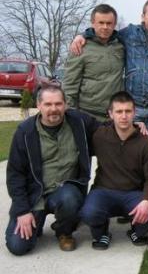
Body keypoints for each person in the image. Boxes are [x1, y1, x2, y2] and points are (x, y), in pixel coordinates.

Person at [70, 0, 148, 146]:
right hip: (131, 106)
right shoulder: (130, 34)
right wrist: (82, 35)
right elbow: (105, 32)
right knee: (129, 149)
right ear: (143, 16)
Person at [5, 86, 98, 255]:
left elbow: (107, 130)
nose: (54, 109)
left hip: (65, 192)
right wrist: (22, 211)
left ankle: (64, 231)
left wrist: (134, 125)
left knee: (70, 198)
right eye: (48, 104)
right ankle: (37, 222)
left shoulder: (79, 122)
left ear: (65, 105)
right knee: (17, 246)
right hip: (35, 196)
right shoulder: (25, 132)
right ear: (38, 105)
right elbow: (15, 175)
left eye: (58, 103)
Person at [80, 92, 148, 250]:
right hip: (103, 191)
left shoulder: (147, 143)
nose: (124, 116)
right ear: (110, 114)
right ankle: (102, 233)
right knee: (89, 213)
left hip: (133, 193)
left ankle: (136, 231)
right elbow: (75, 118)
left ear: (134, 112)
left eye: (128, 111)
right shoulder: (99, 135)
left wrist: (147, 201)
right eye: (119, 111)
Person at [63, 4, 124, 121]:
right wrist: (69, 114)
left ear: (114, 24)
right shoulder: (80, 47)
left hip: (115, 115)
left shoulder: (121, 46)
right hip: (88, 114)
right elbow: (70, 84)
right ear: (93, 23)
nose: (105, 27)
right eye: (101, 23)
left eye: (109, 23)